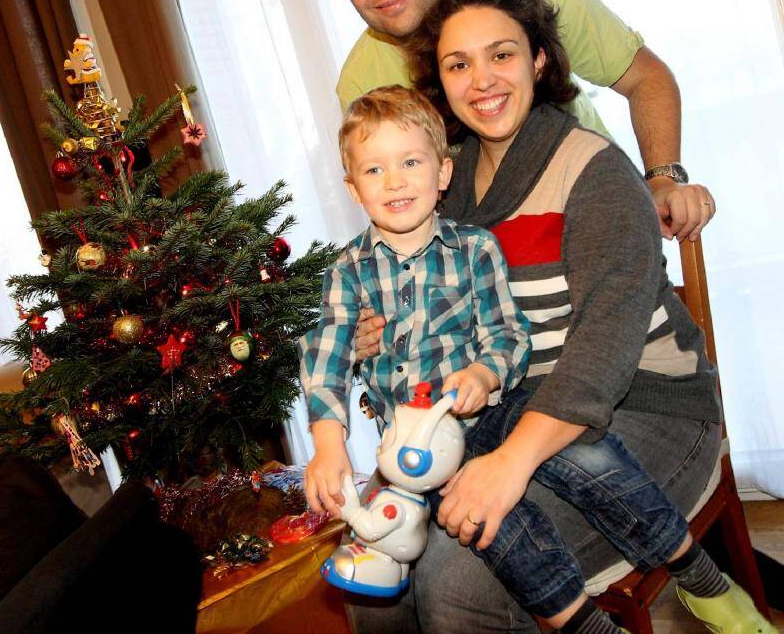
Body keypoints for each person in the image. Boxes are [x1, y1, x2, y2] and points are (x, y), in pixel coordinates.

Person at [300, 83, 771, 633]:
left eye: (410, 162)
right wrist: (328, 444)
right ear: (353, 187)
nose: (396, 181)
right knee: (481, 530)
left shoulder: (475, 249)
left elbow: (508, 333)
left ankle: (696, 571)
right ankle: (584, 625)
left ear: (442, 174)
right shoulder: (348, 270)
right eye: (374, 170)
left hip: (492, 409)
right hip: (414, 447)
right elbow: (327, 348)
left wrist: (483, 371)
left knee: (588, 457)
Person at [312, 0, 715, 244]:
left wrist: (662, 179)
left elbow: (645, 77)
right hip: (488, 287)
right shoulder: (362, 84)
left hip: (597, 229)